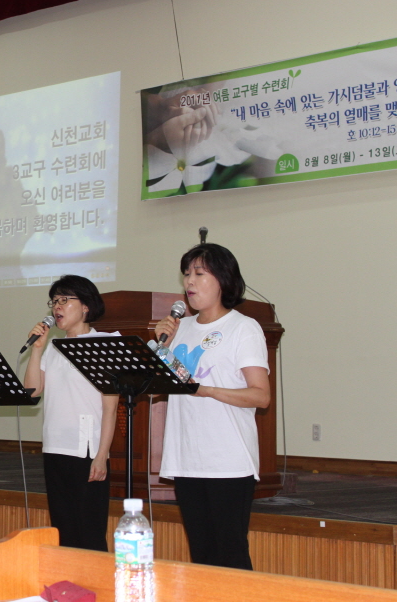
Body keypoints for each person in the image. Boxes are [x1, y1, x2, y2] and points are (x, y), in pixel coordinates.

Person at [156, 243, 270, 570]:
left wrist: (204, 390)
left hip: (227, 461)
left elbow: (260, 396)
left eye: (199, 273)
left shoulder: (243, 328)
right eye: (186, 274)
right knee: (202, 556)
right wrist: (161, 348)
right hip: (187, 457)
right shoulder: (180, 329)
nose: (189, 282)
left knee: (230, 556)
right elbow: (162, 388)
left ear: (222, 279)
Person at [23, 275, 119, 551]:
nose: (57, 306)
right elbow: (32, 391)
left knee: (89, 533)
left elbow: (110, 407)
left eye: (65, 300)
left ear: (86, 305)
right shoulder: (53, 348)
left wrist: (101, 455)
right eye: (54, 301)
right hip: (55, 448)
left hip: (86, 450)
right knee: (63, 530)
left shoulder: (104, 343)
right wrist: (37, 351)